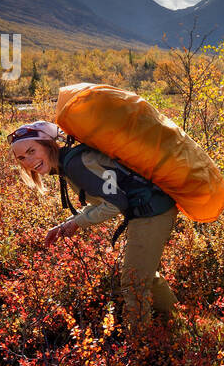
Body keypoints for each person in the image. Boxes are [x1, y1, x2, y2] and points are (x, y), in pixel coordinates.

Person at [9, 120, 182, 330]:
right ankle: (178, 322)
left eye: (31, 151)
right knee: (141, 273)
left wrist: (76, 224)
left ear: (49, 144)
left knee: (134, 281)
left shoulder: (75, 165)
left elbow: (115, 204)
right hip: (151, 207)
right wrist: (68, 225)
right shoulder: (70, 163)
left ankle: (140, 344)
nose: (29, 161)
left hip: (152, 211)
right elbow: (107, 200)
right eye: (22, 158)